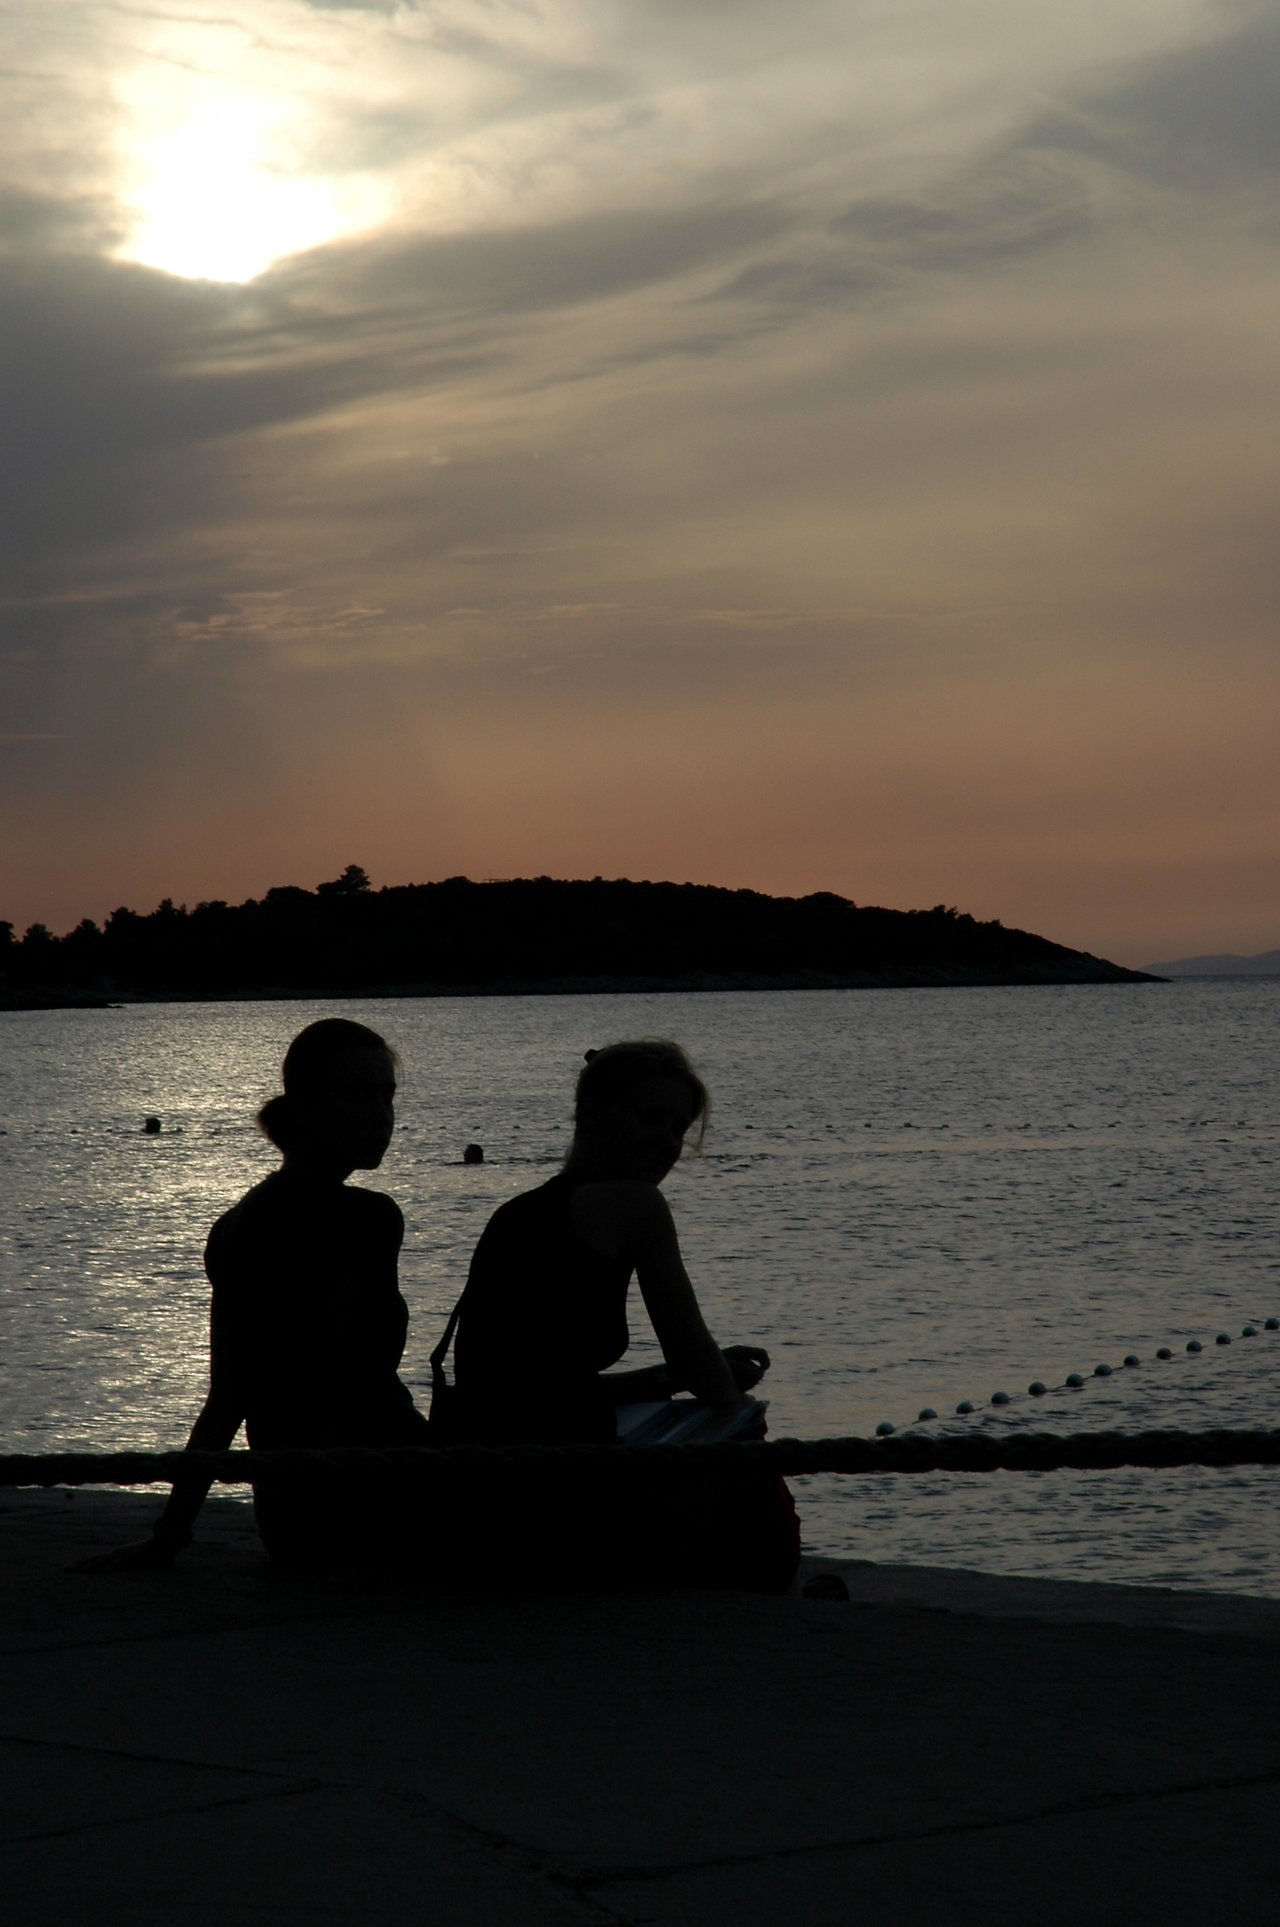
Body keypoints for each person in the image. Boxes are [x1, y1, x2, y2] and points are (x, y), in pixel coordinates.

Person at [78, 1018, 431, 1578]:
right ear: (307, 1105)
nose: (381, 1115)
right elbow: (231, 1395)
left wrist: (171, 1534)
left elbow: (228, 1398)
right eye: (359, 1096)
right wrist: (168, 1537)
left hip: (303, 1515)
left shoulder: (242, 1224)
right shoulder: (365, 1220)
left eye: (388, 1096)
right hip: (373, 1503)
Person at [443, 1039, 800, 1592]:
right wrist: (727, 1403)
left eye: (678, 1129)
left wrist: (663, 1380)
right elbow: (698, 1363)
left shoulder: (518, 1213)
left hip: (486, 1492)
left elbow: (534, 1387)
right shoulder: (637, 1205)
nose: (666, 1142)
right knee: (738, 1426)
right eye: (651, 1119)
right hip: (556, 1497)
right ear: (593, 1114)